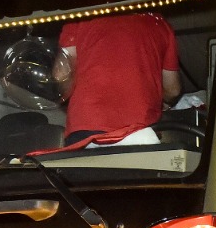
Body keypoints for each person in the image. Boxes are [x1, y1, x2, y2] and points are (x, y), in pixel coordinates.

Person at [57, 12, 180, 145]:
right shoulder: (159, 23)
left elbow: (62, 75)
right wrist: (163, 102)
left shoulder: (82, 15)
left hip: (87, 125)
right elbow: (173, 90)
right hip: (140, 130)